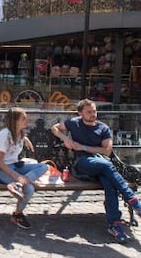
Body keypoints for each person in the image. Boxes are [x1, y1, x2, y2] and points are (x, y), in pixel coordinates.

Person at [51, 98, 141, 243]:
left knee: (109, 183)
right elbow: (54, 128)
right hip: (82, 165)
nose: (93, 114)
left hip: (101, 164)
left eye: (94, 111)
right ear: (80, 113)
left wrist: (84, 147)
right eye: (89, 112)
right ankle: (133, 201)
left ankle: (114, 224)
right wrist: (65, 139)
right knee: (106, 166)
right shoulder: (74, 123)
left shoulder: (103, 128)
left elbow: (107, 151)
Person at [0, 107, 47, 229]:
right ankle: (17, 214)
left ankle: (17, 186)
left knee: (44, 166)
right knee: (29, 188)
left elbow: (18, 140)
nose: (27, 120)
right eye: (23, 118)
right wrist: (15, 176)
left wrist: (25, 138)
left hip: (14, 165)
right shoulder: (5, 135)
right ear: (15, 121)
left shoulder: (19, 133)